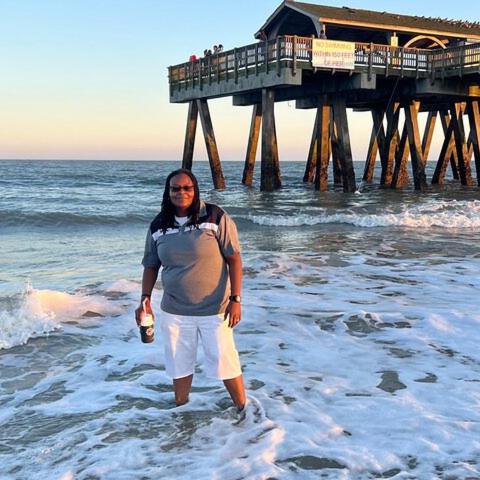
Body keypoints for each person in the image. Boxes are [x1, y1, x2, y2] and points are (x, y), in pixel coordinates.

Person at [136, 169, 246, 411]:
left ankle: (244, 411)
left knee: (225, 362)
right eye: (175, 188)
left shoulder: (215, 216)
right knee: (179, 364)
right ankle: (182, 412)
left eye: (187, 188)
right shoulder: (158, 225)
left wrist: (236, 299)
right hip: (175, 311)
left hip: (215, 309)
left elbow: (234, 258)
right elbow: (151, 265)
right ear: (168, 192)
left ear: (195, 190)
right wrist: (145, 300)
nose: (181, 192)